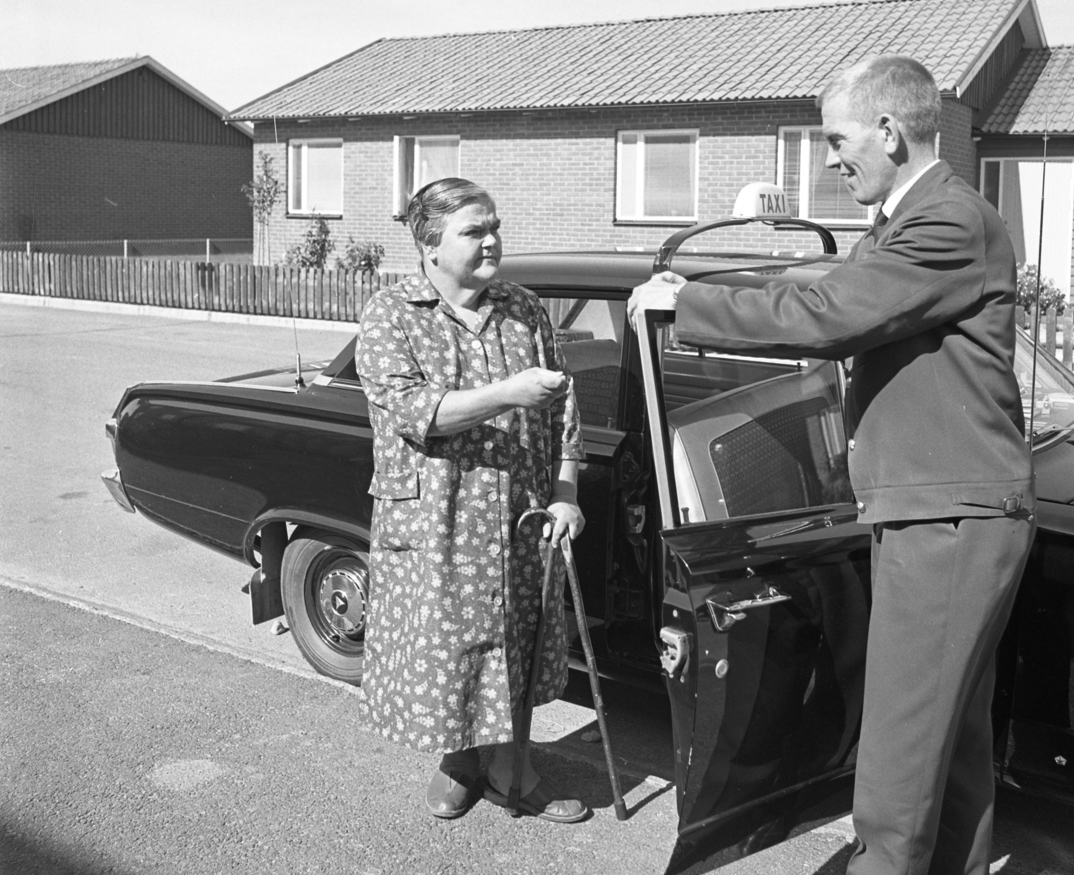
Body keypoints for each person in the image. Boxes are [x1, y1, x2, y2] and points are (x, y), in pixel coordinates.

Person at [629, 55, 1035, 875]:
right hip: (941, 510)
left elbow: (832, 313)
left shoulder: (946, 220)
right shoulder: (908, 223)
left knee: (899, 753)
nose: (830, 158)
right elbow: (838, 300)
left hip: (946, 517)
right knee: (948, 739)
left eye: (837, 139)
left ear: (888, 131)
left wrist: (688, 301)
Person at [356, 177, 588, 823]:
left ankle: (514, 767)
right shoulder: (392, 314)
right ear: (430, 245)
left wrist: (566, 493)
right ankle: (460, 761)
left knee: (518, 641)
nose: (491, 241)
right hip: (439, 523)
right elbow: (414, 412)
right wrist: (508, 393)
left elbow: (565, 410)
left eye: (494, 227)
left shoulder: (524, 309)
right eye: (474, 231)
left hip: (520, 516)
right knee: (451, 648)